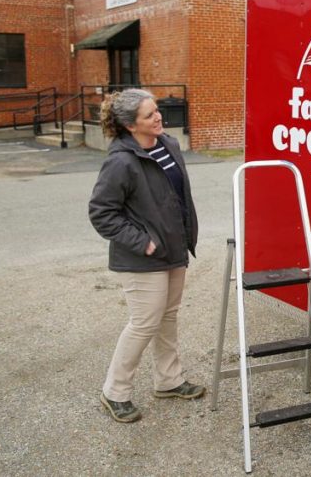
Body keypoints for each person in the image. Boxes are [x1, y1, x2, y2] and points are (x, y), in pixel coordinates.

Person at [89, 88, 204, 423]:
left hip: (175, 249)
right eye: (149, 115)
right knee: (144, 323)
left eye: (156, 111)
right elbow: (101, 213)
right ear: (129, 125)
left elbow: (176, 196)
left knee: (168, 316)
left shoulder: (168, 144)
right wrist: (142, 242)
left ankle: (168, 380)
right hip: (144, 257)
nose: (159, 117)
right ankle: (115, 391)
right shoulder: (120, 162)